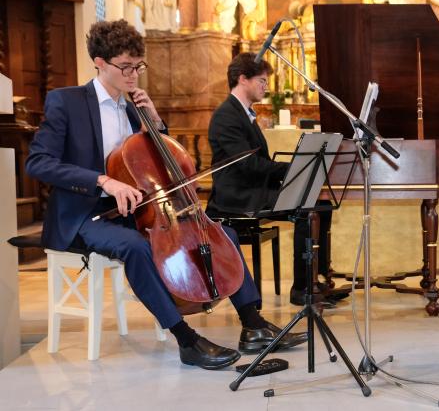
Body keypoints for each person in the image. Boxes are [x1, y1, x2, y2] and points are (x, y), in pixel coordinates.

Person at [25, 20, 306, 370]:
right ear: (99, 62)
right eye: (125, 67)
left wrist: (156, 123)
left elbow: (155, 161)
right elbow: (38, 163)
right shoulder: (67, 102)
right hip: (86, 213)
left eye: (138, 66)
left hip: (137, 210)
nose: (133, 75)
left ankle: (253, 324)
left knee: (224, 234)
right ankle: (186, 340)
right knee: (137, 248)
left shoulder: (132, 109)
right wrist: (102, 181)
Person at [206, 52, 347, 307]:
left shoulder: (244, 113)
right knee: (307, 208)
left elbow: (257, 163)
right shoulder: (227, 115)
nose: (265, 87)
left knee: (322, 205)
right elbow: (248, 165)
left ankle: (319, 279)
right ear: (243, 79)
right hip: (238, 196)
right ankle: (302, 289)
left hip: (254, 189)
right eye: (261, 81)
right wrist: (292, 170)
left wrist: (291, 172)